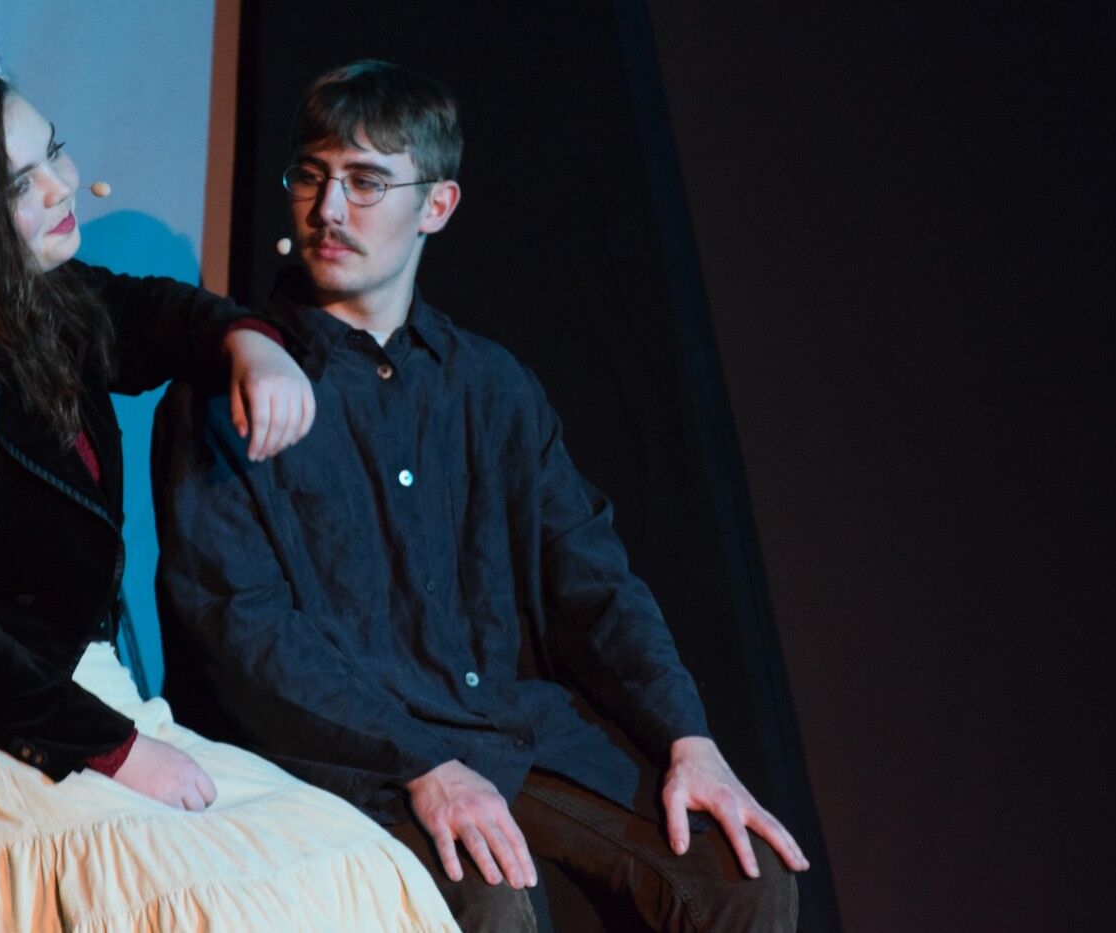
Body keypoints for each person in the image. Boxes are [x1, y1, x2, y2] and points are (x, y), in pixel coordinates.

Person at [0, 63, 455, 931]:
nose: (62, 185)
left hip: (59, 692)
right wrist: (113, 749)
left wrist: (251, 343)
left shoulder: (42, 299)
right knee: (202, 903)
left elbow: (159, 315)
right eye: (18, 183)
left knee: (354, 863)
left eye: (52, 152)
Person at [154, 60, 808, 932]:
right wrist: (420, 760)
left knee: (746, 875)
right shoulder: (226, 387)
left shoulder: (492, 386)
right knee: (490, 902)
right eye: (310, 176)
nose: (329, 210)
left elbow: (594, 584)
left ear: (437, 205)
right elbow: (241, 629)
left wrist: (690, 739)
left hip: (505, 733)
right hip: (339, 758)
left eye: (365, 181)